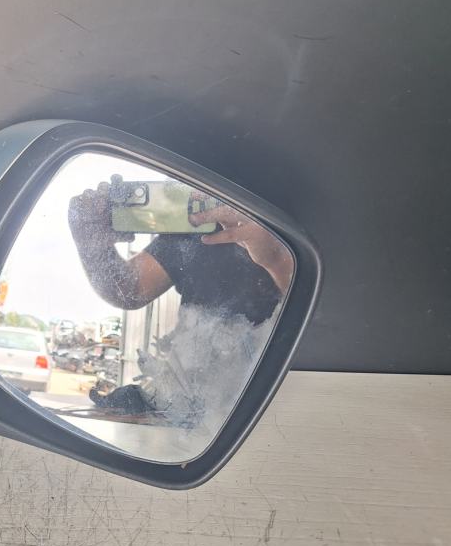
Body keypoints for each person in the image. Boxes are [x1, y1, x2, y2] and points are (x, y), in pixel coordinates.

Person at [68, 176, 294, 414]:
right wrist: (91, 244)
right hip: (195, 410)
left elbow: (317, 317)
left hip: (279, 399)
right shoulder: (194, 221)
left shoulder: (291, 210)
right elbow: (130, 290)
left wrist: (279, 258)